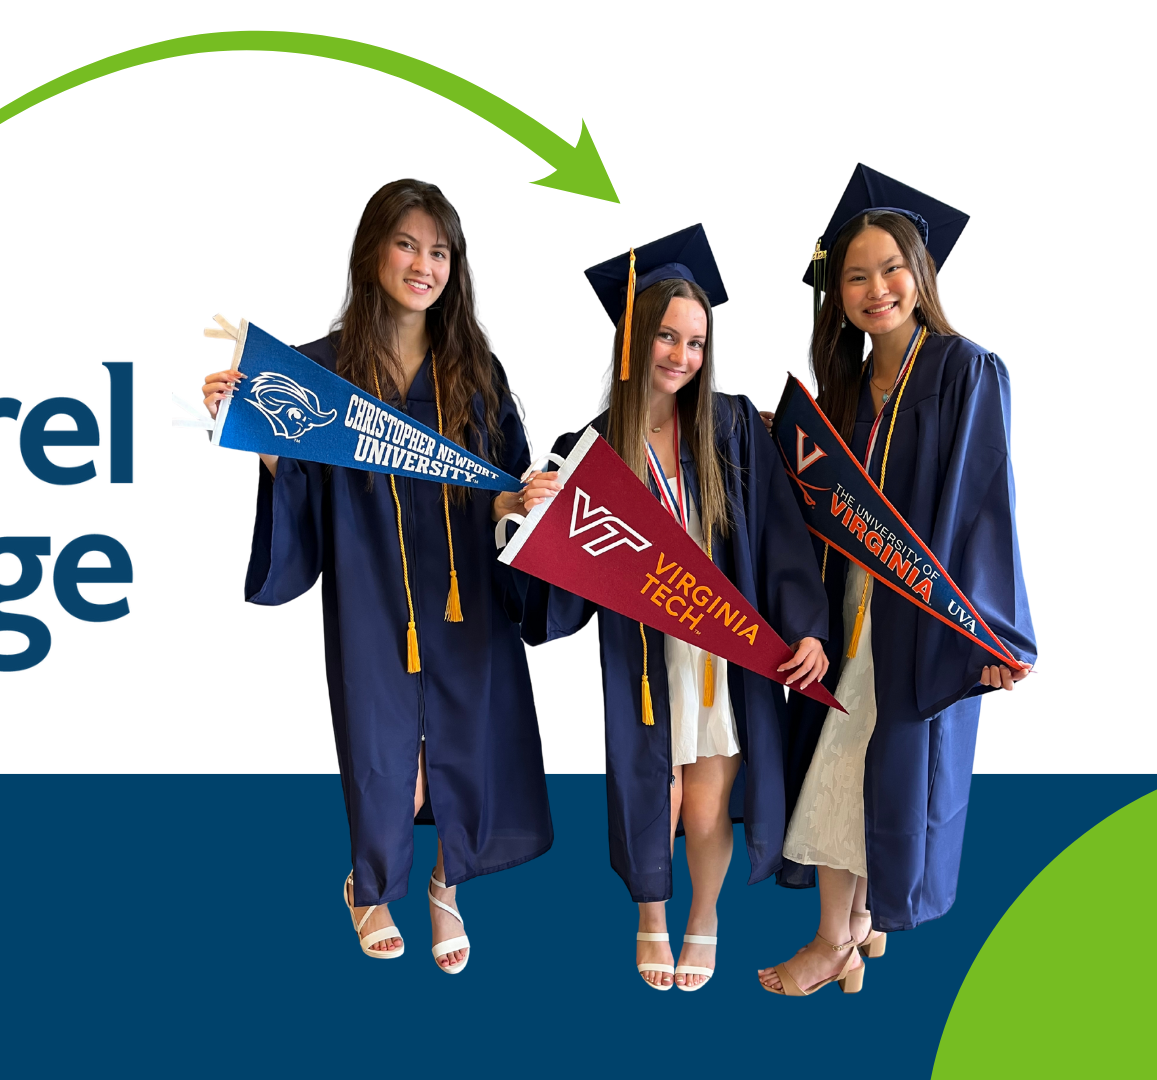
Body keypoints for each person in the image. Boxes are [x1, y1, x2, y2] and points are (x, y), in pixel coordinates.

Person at [199, 179, 550, 974]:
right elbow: (302, 485)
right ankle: (371, 886)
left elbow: (505, 484)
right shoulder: (320, 372)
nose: (424, 265)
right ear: (372, 253)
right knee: (383, 746)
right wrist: (256, 438)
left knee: (469, 739)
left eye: (440, 251)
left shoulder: (476, 370)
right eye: (406, 244)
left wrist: (521, 501)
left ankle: (445, 883)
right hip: (373, 587)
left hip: (462, 590)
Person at [516, 225, 830, 991]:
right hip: (645, 650)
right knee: (657, 793)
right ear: (633, 338)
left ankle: (705, 917)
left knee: (709, 802)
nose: (681, 356)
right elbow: (566, 582)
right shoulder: (588, 446)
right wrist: (532, 516)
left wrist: (808, 628)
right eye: (665, 336)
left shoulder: (734, 425)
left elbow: (782, 537)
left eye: (695, 342)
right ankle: (652, 915)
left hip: (723, 646)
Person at [758, 165, 1038, 997]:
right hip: (847, 607)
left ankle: (835, 940)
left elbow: (985, 501)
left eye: (891, 269)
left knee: (857, 761)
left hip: (918, 615)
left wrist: (991, 632)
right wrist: (780, 443)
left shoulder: (964, 370)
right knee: (854, 761)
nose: (876, 289)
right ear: (835, 294)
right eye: (855, 276)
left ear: (922, 274)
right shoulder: (846, 389)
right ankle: (861, 925)